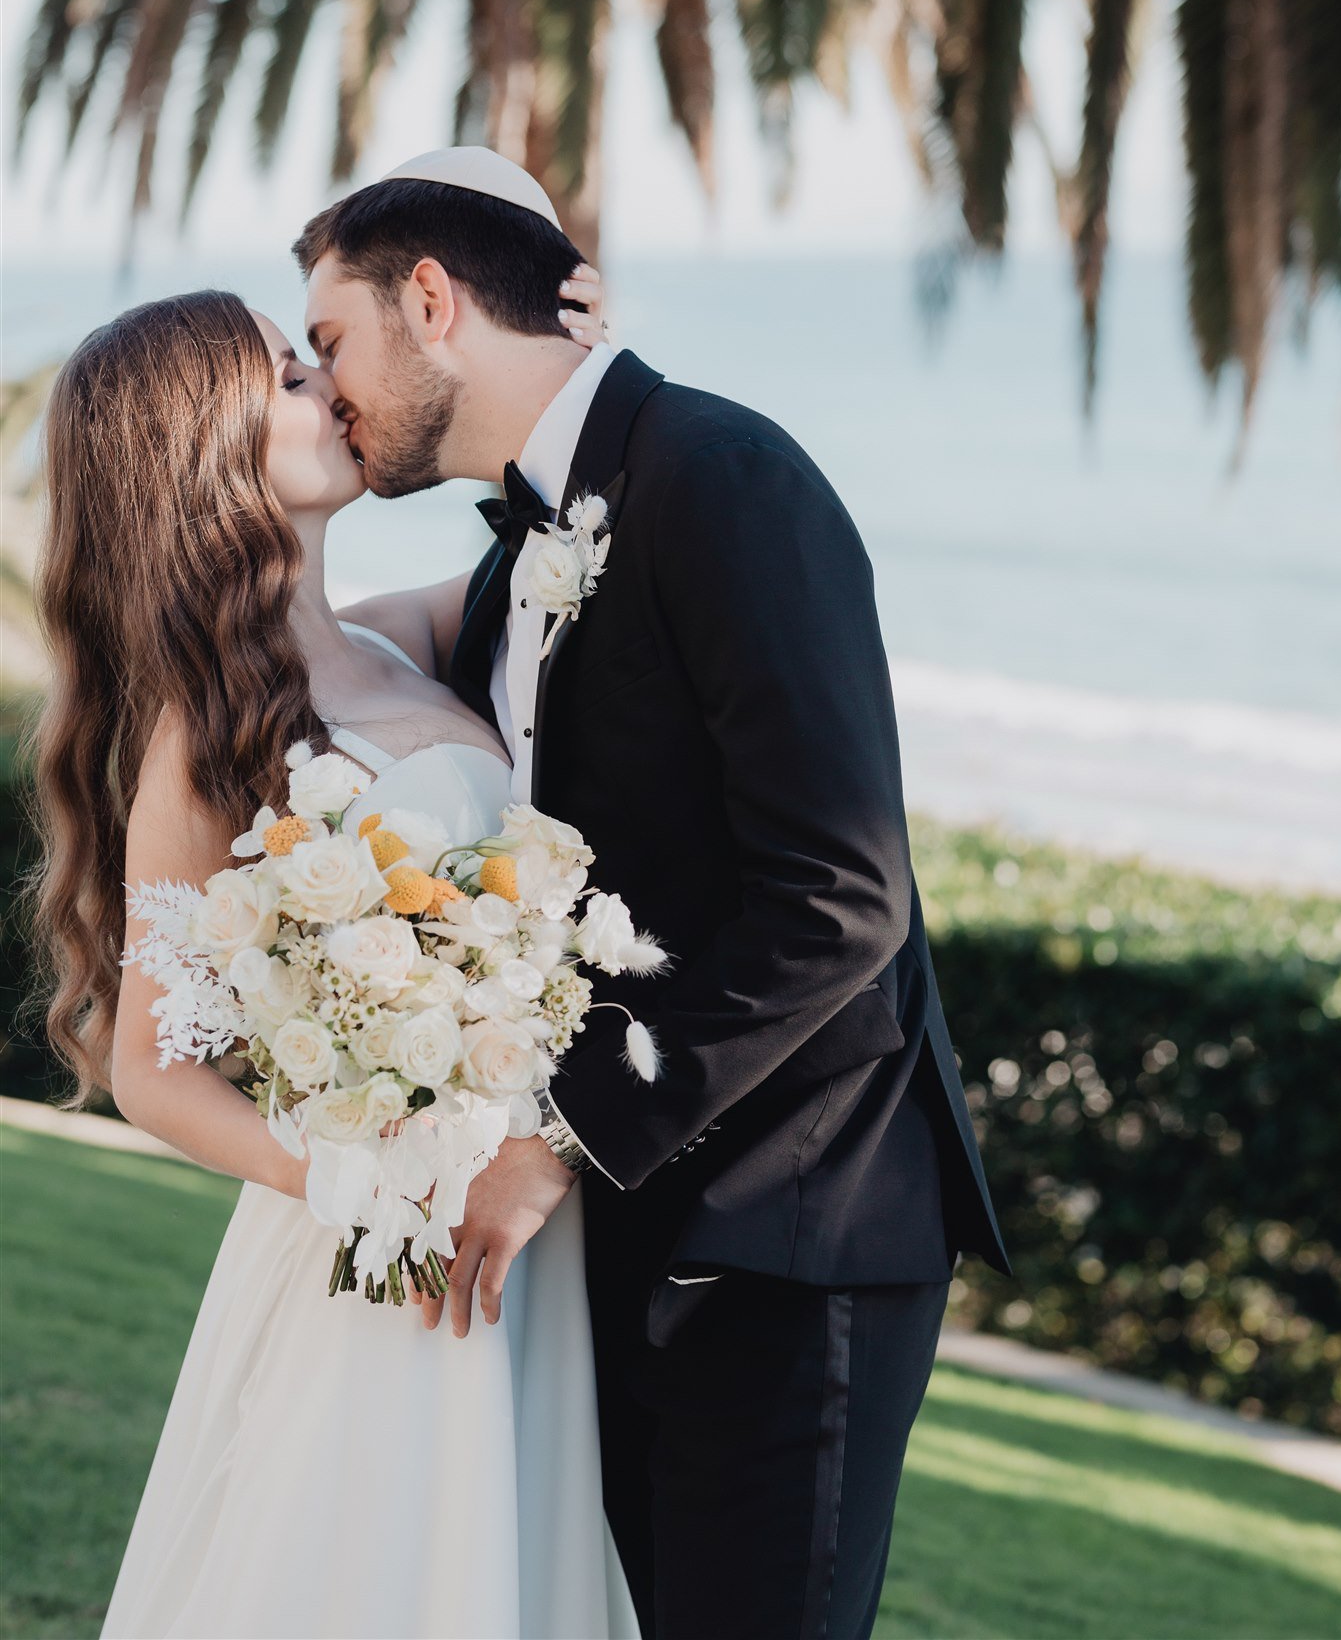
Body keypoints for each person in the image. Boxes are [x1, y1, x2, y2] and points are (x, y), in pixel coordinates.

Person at [292, 146, 1011, 1640]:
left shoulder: (721, 474)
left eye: (329, 341)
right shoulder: (512, 568)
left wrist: (560, 1136)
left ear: (430, 299)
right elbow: (294, 656)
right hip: (639, 1237)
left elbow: (841, 895)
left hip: (789, 1225)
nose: (327, 383)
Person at [30, 264, 640, 1639]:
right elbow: (154, 1067)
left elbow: (568, 538)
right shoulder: (210, 732)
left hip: (539, 1222)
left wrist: (572, 370)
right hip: (385, 1250)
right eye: (291, 377)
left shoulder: (402, 638)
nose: (336, 389)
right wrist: (372, 1178)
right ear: (208, 447)